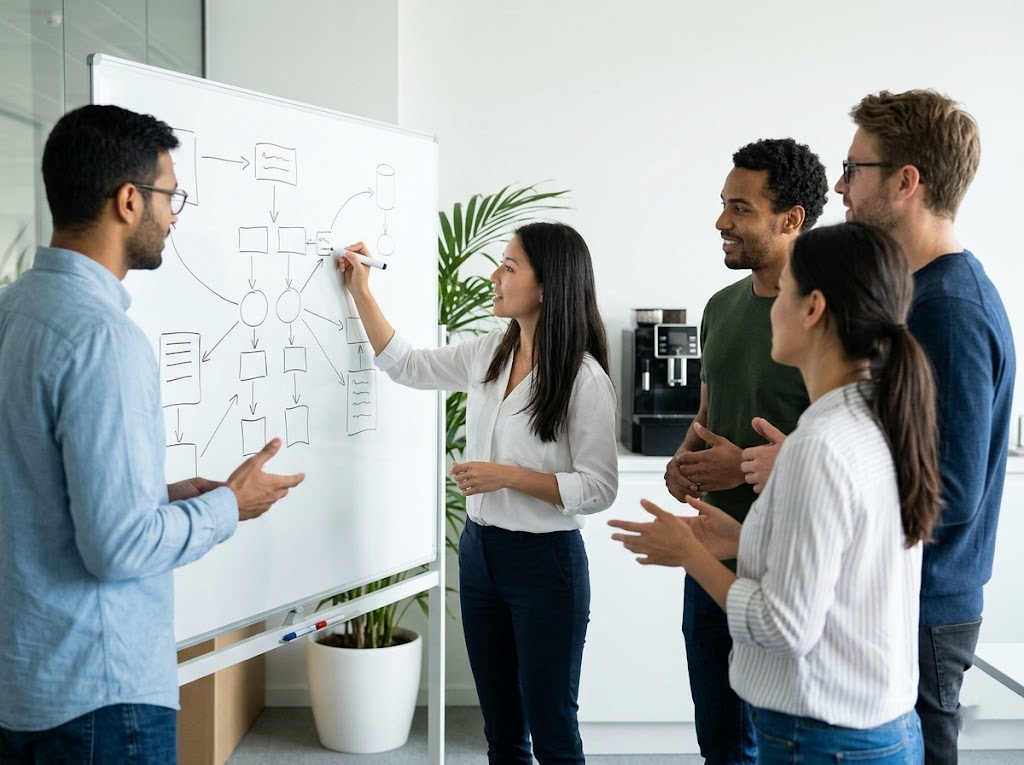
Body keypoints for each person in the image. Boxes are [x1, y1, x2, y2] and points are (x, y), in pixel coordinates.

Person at [0, 105, 305, 763]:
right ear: (129, 201)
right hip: (100, 697)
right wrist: (230, 504)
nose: (174, 215)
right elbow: (118, 548)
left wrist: (160, 494)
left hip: (24, 685)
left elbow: (28, 486)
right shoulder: (104, 339)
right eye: (171, 196)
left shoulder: (13, 311)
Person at [740, 90, 1016, 763]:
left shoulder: (950, 310)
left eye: (853, 167)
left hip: (920, 611)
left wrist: (820, 471)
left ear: (906, 181)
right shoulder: (924, 294)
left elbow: (945, 491)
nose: (839, 184)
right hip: (899, 603)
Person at [612, 221, 943, 762]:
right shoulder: (873, 419)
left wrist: (689, 552)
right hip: (876, 724)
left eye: (784, 294)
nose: (770, 307)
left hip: (820, 735)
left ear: (811, 309)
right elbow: (839, 570)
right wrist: (741, 537)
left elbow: (781, 626)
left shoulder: (816, 446)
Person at [335, 222, 617, 764]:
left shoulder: (584, 379)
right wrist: (362, 292)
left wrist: (507, 476)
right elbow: (409, 365)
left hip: (545, 565)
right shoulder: (493, 351)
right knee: (502, 731)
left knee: (552, 727)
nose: (495, 276)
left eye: (509, 267)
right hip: (481, 554)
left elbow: (600, 488)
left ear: (546, 287)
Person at [663, 138, 828, 764]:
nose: (721, 223)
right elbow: (709, 414)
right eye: (722, 205)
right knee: (721, 741)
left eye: (740, 208)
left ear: (791, 220)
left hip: (785, 561)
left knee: (780, 742)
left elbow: (841, 448)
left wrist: (744, 468)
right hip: (709, 556)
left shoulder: (828, 315)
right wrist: (685, 462)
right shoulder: (720, 307)